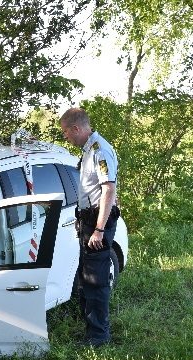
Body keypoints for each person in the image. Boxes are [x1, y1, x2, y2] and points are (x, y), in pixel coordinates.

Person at [60, 108, 120, 347]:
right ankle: (91, 329)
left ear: (76, 128)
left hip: (98, 221)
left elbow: (109, 190)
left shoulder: (100, 150)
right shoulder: (88, 149)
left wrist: (99, 229)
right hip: (89, 220)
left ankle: (98, 337)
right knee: (87, 276)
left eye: (66, 132)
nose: (65, 137)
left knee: (96, 279)